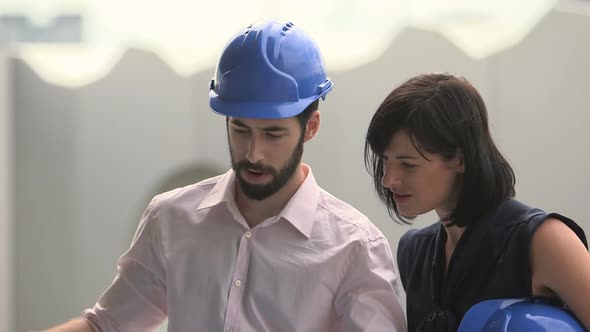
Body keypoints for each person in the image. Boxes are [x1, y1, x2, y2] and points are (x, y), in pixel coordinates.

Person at [46, 19, 406, 332]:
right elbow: (106, 325)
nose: (253, 153)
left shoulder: (356, 248)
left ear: (310, 127)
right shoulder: (171, 219)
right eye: (240, 129)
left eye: (272, 134)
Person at [363, 72, 590, 331]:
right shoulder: (414, 252)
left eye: (408, 164)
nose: (388, 179)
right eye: (385, 160)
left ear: (459, 158)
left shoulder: (544, 240)